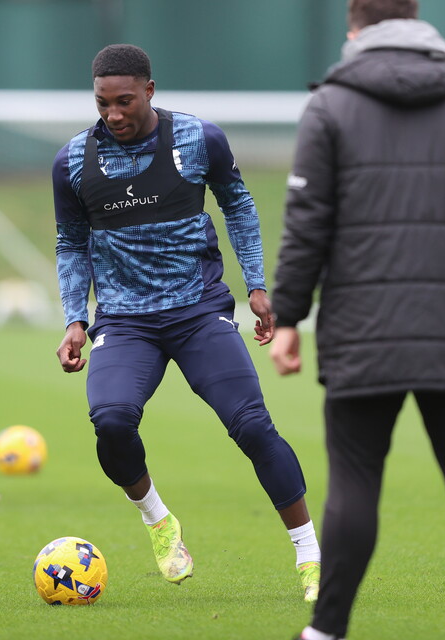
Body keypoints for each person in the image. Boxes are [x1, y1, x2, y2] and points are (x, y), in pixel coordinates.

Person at [270, 2, 445, 639]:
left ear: (356, 27)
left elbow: (307, 225)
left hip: (363, 330)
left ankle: (326, 631)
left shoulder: (330, 107)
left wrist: (289, 319)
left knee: (354, 486)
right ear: (418, 21)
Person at [52, 43, 321, 600]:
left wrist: (257, 285)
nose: (114, 114)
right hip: (124, 320)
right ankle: (158, 521)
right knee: (110, 419)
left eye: (125, 101)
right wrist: (76, 318)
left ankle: (311, 555)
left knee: (251, 425)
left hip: (198, 310)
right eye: (103, 103)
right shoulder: (73, 162)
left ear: (150, 90)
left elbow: (238, 205)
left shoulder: (200, 139)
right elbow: (70, 244)